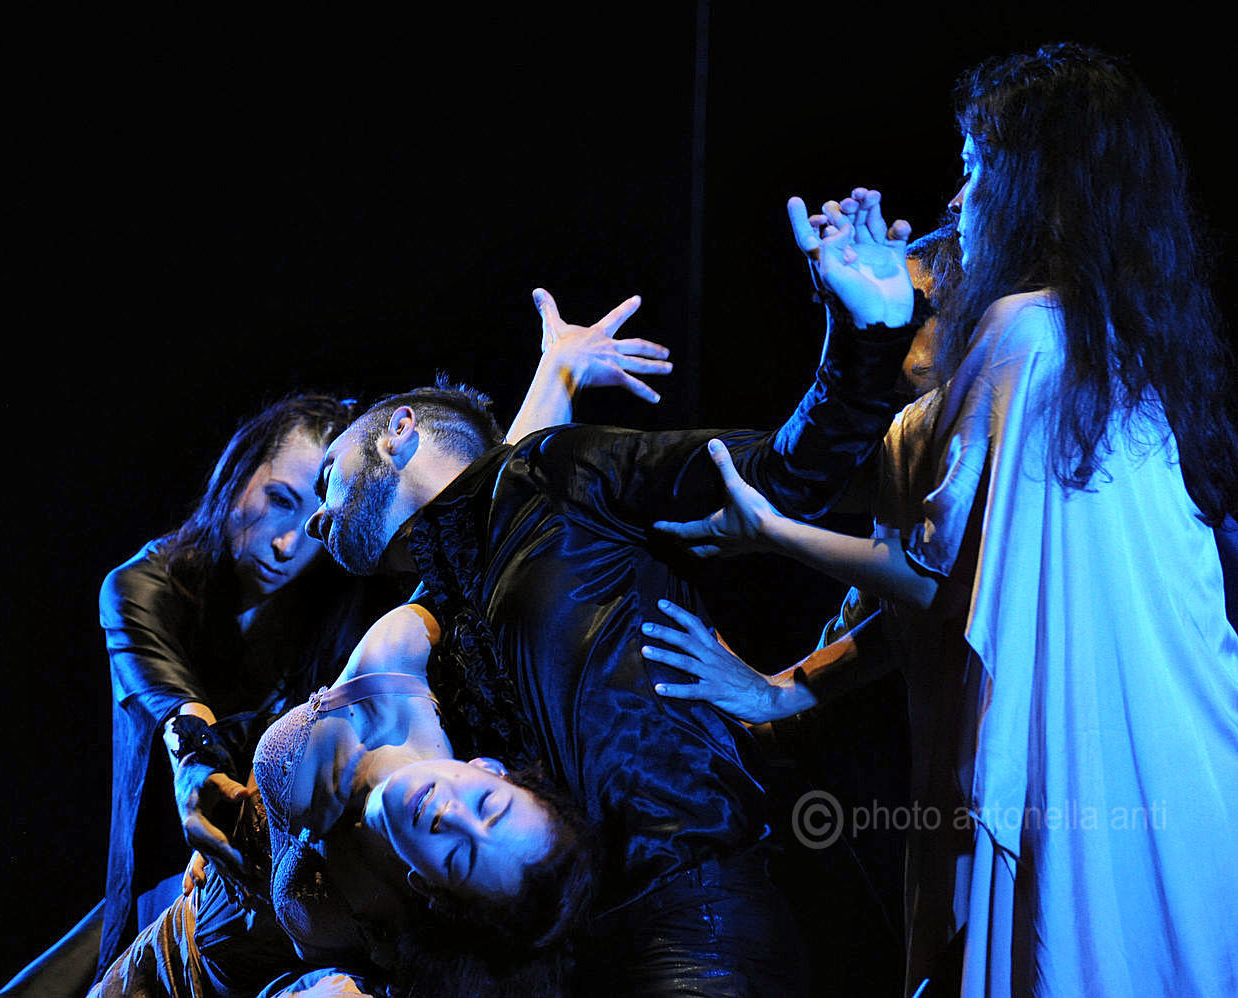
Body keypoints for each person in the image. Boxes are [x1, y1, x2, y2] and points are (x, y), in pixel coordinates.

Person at [646, 43, 1238, 996]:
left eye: (975, 169)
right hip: (1176, 775)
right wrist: (783, 689)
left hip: (1101, 766)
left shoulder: (1030, 340)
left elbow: (932, 577)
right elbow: (951, 588)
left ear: (1039, 188)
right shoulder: (1113, 352)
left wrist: (769, 534)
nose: (957, 202)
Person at [303, 219, 929, 995]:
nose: (315, 519)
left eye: (325, 476)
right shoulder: (451, 594)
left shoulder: (549, 477)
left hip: (700, 924)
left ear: (398, 433)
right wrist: (554, 373)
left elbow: (778, 475)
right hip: (594, 954)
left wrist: (865, 335)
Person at [0, 310, 671, 997]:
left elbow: (483, 533)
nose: (296, 538)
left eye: (463, 853)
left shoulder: (369, 638)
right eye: (284, 498)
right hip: (171, 928)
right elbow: (481, 528)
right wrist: (556, 374)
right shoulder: (369, 660)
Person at [91, 603, 599, 998]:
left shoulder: (405, 922)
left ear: (431, 888)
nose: (452, 817)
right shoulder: (393, 663)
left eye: (461, 859)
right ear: (488, 767)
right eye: (488, 804)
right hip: (164, 937)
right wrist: (206, 767)